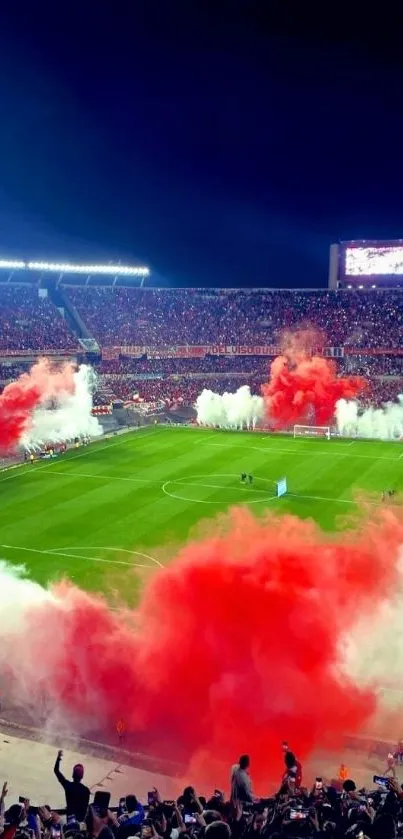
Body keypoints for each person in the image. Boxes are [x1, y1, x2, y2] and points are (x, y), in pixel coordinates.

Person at [53, 750, 90, 821]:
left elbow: (56, 771)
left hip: (70, 820)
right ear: (82, 776)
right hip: (80, 822)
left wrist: (58, 758)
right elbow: (85, 809)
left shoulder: (68, 786)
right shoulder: (86, 790)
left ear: (73, 775)